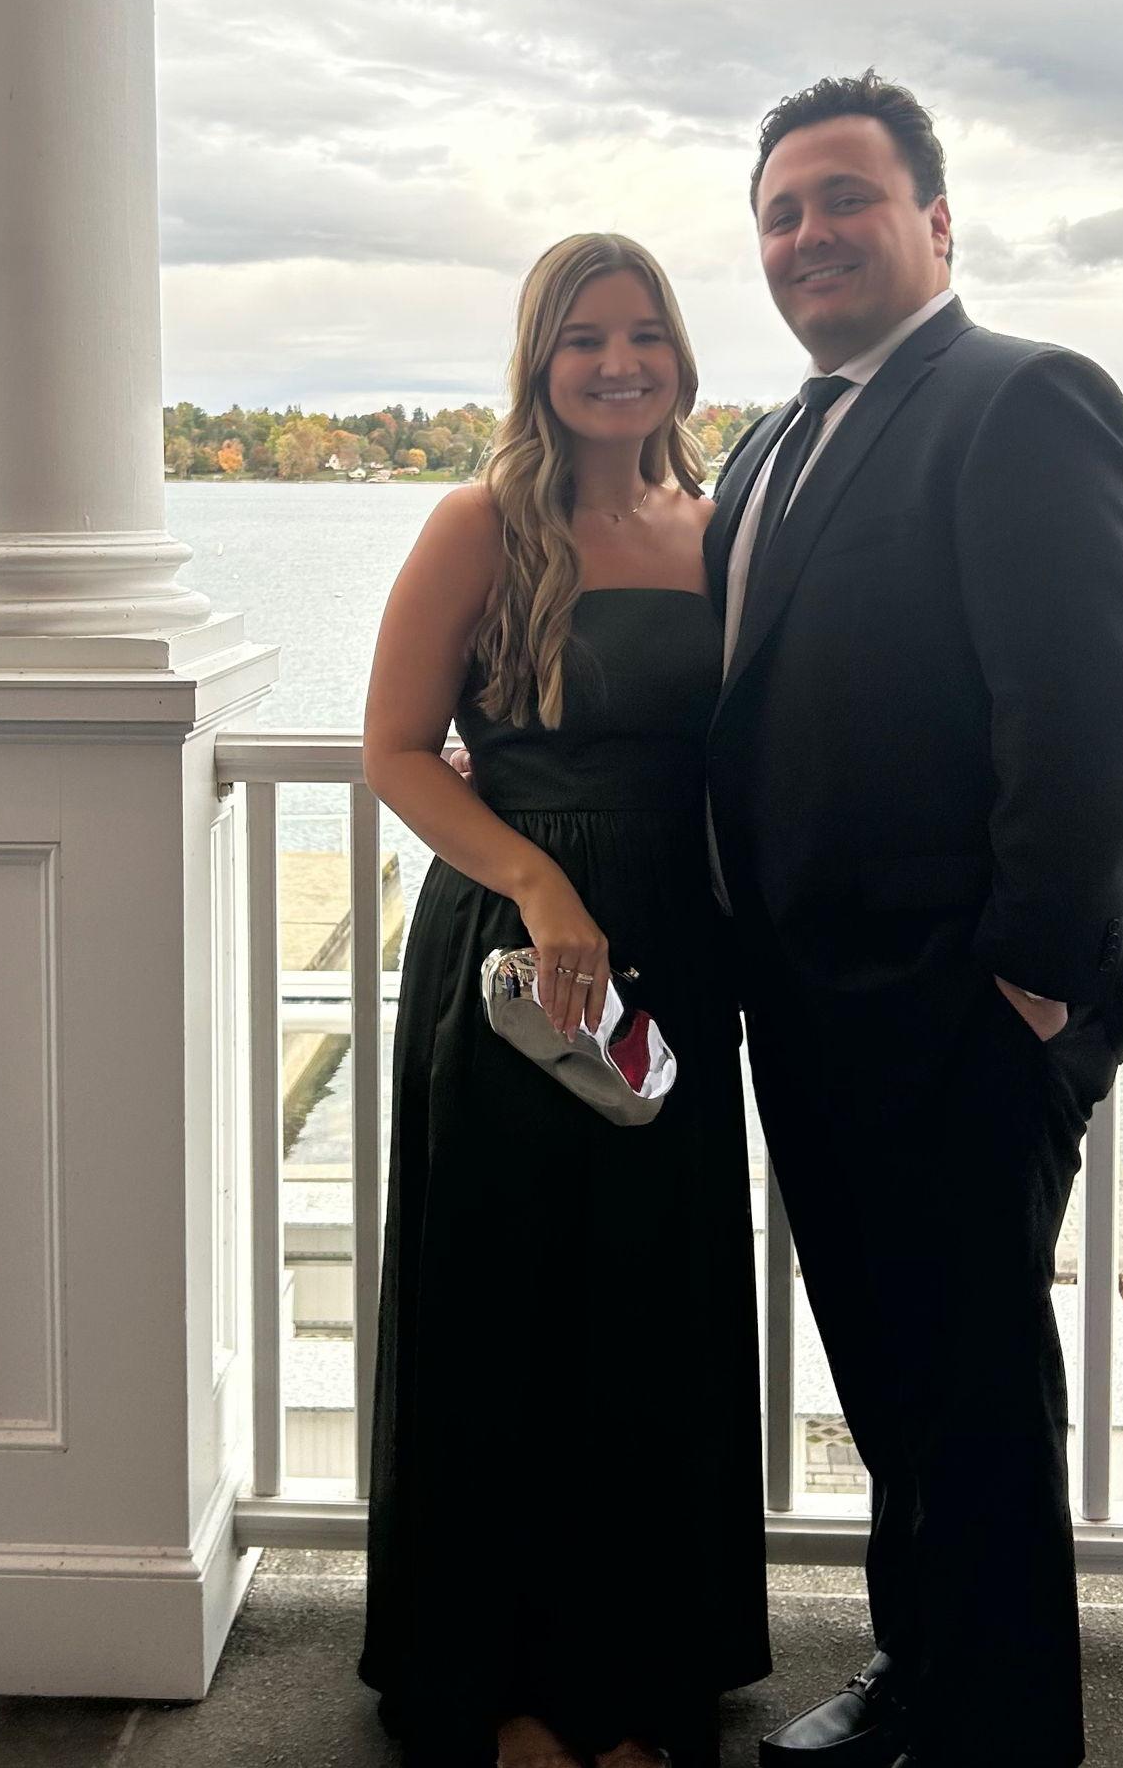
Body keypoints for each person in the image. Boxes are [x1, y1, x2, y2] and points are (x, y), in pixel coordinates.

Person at [704, 74, 1123, 1768]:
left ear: (937, 222)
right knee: (895, 1373)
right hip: (812, 1002)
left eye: (846, 197)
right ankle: (922, 1677)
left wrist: (1030, 991)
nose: (809, 233)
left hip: (964, 1004)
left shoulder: (1021, 399)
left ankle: (1000, 1737)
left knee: (971, 1393)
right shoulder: (771, 443)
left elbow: (1086, 705)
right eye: (781, 211)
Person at [359, 232, 771, 1768]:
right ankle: (505, 1687)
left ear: (679, 355)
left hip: (676, 957)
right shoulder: (480, 522)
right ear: (541, 362)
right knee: (507, 1310)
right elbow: (396, 751)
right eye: (585, 337)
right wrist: (540, 887)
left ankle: (640, 1682)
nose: (618, 363)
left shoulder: (718, 530)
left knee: (652, 1316)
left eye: (644, 333)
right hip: (520, 970)